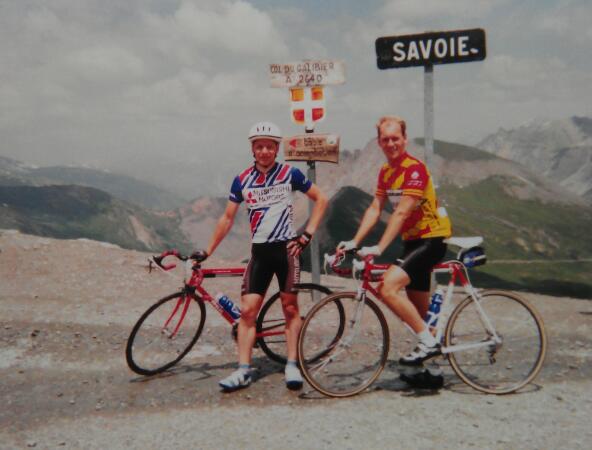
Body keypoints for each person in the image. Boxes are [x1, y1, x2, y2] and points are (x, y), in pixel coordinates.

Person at [196, 121, 328, 392]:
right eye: (259, 146)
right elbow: (227, 218)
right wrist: (208, 251)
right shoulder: (242, 180)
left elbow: (321, 199)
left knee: (290, 308)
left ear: (277, 148)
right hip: (260, 253)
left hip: (286, 251)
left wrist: (307, 235)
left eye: (269, 146)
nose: (265, 151)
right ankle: (243, 370)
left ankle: (292, 363)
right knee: (247, 312)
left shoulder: (290, 174)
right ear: (252, 149)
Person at [337, 115, 452, 385]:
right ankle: (429, 371)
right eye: (385, 139)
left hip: (431, 239)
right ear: (379, 142)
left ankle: (428, 345)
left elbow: (400, 213)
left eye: (395, 138)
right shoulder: (386, 172)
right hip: (413, 241)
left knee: (388, 288)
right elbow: (376, 208)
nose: (391, 144)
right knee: (421, 316)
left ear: (405, 139)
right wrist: (355, 241)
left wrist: (378, 247)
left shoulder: (415, 169)